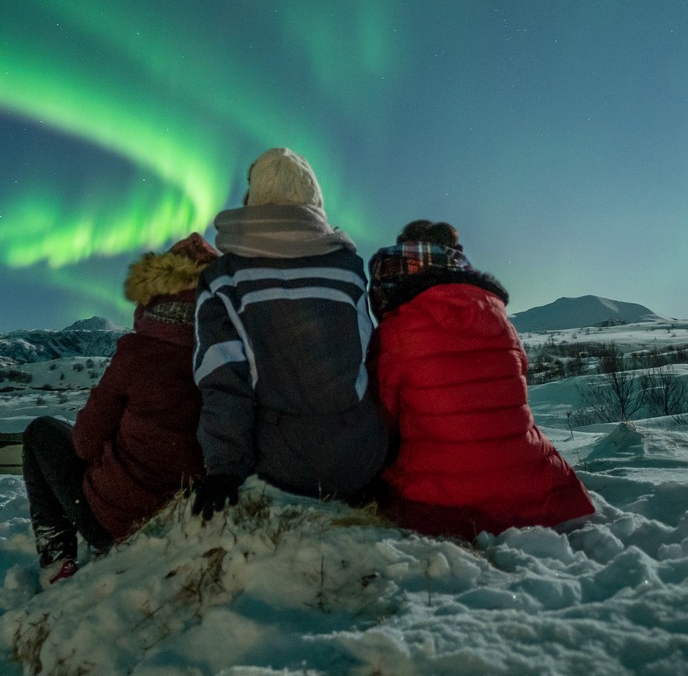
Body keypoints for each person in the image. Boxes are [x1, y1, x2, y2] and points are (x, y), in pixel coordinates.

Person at [191, 147, 387, 519]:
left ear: (254, 200)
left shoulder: (223, 279)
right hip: (360, 457)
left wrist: (224, 466)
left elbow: (223, 379)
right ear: (314, 198)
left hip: (281, 464)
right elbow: (362, 357)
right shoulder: (349, 269)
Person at [367, 220, 594, 539]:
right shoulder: (500, 318)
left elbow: (383, 417)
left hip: (441, 496)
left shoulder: (396, 329)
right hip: (533, 485)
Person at [22, 232, 217, 585]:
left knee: (41, 432)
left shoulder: (138, 353)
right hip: (186, 518)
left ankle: (57, 559)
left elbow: (84, 444)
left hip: (118, 522)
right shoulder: (227, 357)